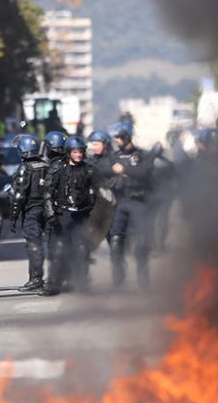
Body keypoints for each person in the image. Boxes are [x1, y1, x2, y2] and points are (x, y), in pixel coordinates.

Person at [42, 136, 97, 295]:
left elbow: (96, 192)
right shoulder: (57, 169)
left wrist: (93, 211)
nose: (78, 154)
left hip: (82, 215)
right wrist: (51, 213)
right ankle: (53, 284)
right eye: (75, 152)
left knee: (81, 250)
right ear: (68, 153)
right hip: (62, 215)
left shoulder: (88, 169)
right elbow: (48, 193)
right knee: (59, 251)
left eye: (80, 151)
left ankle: (82, 283)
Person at [106, 121, 154, 288]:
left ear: (127, 137)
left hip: (139, 201)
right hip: (120, 202)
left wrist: (125, 170)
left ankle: (143, 275)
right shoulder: (114, 156)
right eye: (115, 137)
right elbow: (108, 172)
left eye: (119, 137)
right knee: (116, 240)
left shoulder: (143, 155)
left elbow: (145, 173)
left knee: (141, 242)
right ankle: (118, 274)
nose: (116, 140)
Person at [9, 134, 48, 293]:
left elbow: (19, 195)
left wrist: (13, 217)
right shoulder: (45, 165)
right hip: (46, 209)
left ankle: (36, 279)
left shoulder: (25, 168)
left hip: (31, 210)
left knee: (34, 245)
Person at [148, 141, 177, 253]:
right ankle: (160, 245)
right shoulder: (169, 164)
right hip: (165, 195)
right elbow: (176, 179)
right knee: (162, 221)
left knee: (151, 221)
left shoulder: (147, 163)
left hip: (153, 196)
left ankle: (155, 246)